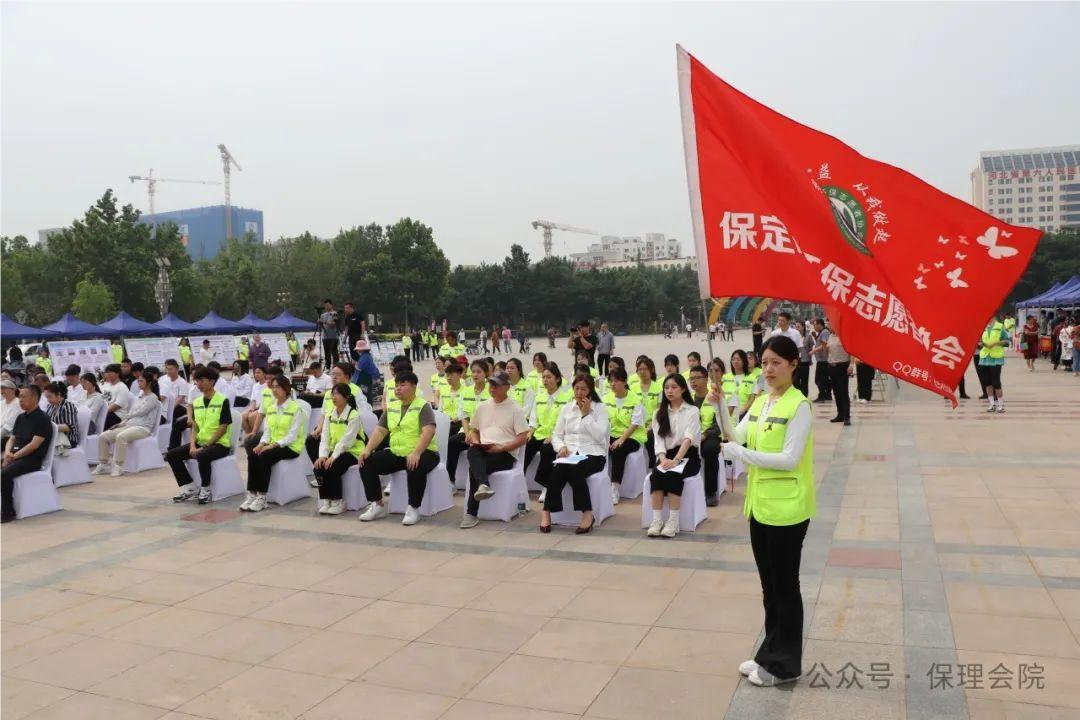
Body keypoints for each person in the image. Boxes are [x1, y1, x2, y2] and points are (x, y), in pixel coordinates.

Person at [710, 335, 815, 687]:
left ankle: (786, 666)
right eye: (765, 362)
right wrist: (720, 405)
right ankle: (769, 653)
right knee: (769, 586)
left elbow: (789, 459)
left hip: (787, 509)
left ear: (793, 366)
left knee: (786, 587)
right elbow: (735, 435)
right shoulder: (762, 402)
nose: (768, 369)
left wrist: (740, 456)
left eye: (776, 363)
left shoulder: (798, 406)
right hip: (760, 506)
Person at [357, 372, 439, 525]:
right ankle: (377, 504)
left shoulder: (423, 406)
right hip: (397, 452)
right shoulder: (392, 406)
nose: (398, 389)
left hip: (425, 452)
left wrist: (416, 453)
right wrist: (367, 450)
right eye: (396, 385)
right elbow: (380, 431)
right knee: (366, 462)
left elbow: (429, 432)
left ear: (414, 387)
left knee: (416, 465)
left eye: (403, 385)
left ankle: (413, 508)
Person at [460, 370, 531, 529]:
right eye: (491, 384)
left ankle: (472, 513)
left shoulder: (515, 409)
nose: (492, 388)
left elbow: (522, 437)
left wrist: (502, 447)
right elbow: (474, 430)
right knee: (472, 451)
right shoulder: (482, 407)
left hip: (505, 453)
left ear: (507, 387)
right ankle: (483, 485)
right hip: (483, 449)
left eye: (496, 385)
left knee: (474, 469)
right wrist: (476, 442)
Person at [539, 373, 608, 533]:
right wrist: (561, 447)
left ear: (590, 390)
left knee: (573, 468)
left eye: (584, 389)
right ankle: (546, 512)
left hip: (593, 454)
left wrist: (585, 415)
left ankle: (587, 513)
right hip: (569, 454)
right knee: (558, 469)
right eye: (576, 388)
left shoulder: (600, 408)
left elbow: (599, 436)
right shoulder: (566, 408)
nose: (579, 392)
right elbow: (557, 435)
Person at [167, 367, 233, 504]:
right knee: (171, 455)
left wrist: (205, 446)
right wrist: (192, 445)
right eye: (197, 381)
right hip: (200, 442)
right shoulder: (197, 402)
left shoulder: (222, 401)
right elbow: (195, 427)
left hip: (219, 444)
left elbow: (223, 427)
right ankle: (189, 486)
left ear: (211, 381)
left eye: (202, 380)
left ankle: (205, 488)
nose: (198, 383)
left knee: (202, 455)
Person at [646, 373, 701, 538]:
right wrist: (663, 459)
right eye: (667, 387)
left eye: (674, 387)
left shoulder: (692, 410)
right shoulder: (659, 412)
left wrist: (676, 460)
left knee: (672, 474)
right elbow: (658, 441)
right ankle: (656, 520)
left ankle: (673, 521)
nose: (669, 391)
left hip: (687, 454)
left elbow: (688, 438)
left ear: (683, 389)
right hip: (666, 454)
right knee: (656, 475)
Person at [242, 376, 305, 512]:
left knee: (264, 457)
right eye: (273, 387)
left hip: (291, 447)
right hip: (272, 444)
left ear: (287, 389)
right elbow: (267, 431)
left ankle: (262, 497)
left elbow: (292, 436)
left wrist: (272, 445)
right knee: (253, 455)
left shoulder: (296, 409)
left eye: (278, 387)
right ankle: (252, 494)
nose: (274, 390)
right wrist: (262, 443)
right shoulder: (271, 408)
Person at [0, 387, 54, 523]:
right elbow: (12, 439)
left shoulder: (42, 419)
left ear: (35, 399)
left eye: (23, 397)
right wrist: (7, 454)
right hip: (14, 456)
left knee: (4, 474)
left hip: (31, 459)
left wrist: (13, 457)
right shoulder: (21, 417)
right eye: (20, 397)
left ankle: (7, 512)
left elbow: (34, 445)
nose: (20, 400)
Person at [313, 383, 366, 515]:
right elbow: (325, 437)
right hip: (336, 450)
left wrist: (333, 457)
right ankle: (327, 499)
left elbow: (347, 441)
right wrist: (323, 456)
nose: (334, 397)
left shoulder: (353, 415)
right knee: (318, 467)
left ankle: (338, 501)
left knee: (333, 467)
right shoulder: (330, 415)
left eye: (337, 394)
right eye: (333, 394)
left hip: (353, 451)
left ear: (346, 397)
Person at [94, 374, 161, 477]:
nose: (139, 384)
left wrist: (126, 417)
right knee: (103, 436)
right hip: (129, 425)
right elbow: (132, 413)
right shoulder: (140, 396)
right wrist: (120, 424)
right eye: (138, 381)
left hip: (142, 428)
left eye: (141, 381)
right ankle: (103, 463)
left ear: (149, 383)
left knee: (121, 437)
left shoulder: (153, 398)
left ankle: (118, 466)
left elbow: (141, 412)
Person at [525, 362, 570, 505]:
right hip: (540, 433)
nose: (545, 380)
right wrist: (530, 431)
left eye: (549, 377)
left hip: (556, 436)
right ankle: (519, 481)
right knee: (525, 447)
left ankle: (546, 485)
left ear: (557, 379)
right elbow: (533, 419)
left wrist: (555, 435)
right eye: (543, 377)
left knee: (547, 450)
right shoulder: (539, 397)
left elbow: (567, 421)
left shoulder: (566, 398)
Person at [602, 367, 645, 506]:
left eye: (616, 381)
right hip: (612, 434)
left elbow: (635, 423)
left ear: (625, 381)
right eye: (611, 381)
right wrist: (605, 439)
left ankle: (614, 488)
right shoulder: (606, 398)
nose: (613, 384)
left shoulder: (635, 399)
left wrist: (621, 439)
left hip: (632, 436)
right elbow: (602, 420)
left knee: (618, 450)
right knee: (599, 448)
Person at [688, 366, 723, 507]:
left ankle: (710, 492)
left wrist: (705, 435)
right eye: (691, 378)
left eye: (697, 378)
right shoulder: (688, 400)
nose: (693, 381)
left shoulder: (715, 397)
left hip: (711, 435)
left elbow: (719, 423)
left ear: (706, 379)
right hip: (691, 435)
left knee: (709, 451)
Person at [977, 315, 1010, 413]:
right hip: (984, 357)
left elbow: (1007, 341)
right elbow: (979, 340)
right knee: (987, 383)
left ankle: (1001, 404)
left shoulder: (1000, 326)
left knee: (996, 382)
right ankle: (992, 404)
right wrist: (980, 344)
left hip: (996, 358)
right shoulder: (982, 326)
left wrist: (996, 343)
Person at [635, 357, 663, 468]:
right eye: (640, 369)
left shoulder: (659, 388)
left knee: (650, 436)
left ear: (651, 370)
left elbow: (660, 410)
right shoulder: (632, 388)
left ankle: (652, 466)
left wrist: (650, 426)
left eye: (645, 369)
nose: (642, 372)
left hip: (654, 424)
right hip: (636, 424)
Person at [825, 330, 854, 425]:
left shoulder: (844, 335)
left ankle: (847, 416)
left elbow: (851, 350)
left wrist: (851, 364)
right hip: (831, 366)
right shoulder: (830, 336)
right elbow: (828, 350)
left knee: (843, 391)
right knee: (836, 391)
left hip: (842, 366)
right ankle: (840, 414)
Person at [43, 382, 80, 455]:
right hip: (55, 436)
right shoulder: (51, 406)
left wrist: (49, 427)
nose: (48, 400)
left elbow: (69, 427)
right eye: (47, 397)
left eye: (50, 397)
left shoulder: (68, 406)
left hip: (68, 439)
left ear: (58, 394)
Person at [100, 363, 133, 431]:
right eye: (107, 372)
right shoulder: (107, 386)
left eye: (110, 372)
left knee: (105, 416)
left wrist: (102, 412)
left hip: (118, 415)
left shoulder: (122, 387)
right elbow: (103, 401)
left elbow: (116, 406)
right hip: (107, 413)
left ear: (117, 373)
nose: (108, 374)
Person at [351, 339, 382, 404]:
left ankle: (367, 408)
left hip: (365, 379)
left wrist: (354, 364)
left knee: (364, 395)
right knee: (367, 394)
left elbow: (359, 368)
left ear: (360, 350)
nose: (357, 351)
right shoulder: (367, 356)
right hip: (368, 378)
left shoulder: (364, 357)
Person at [809, 318, 832, 403]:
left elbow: (824, 345)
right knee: (823, 379)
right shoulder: (821, 333)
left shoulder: (825, 332)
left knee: (819, 379)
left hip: (824, 360)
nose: (814, 326)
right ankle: (826, 395)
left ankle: (822, 395)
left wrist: (813, 351)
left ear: (819, 325)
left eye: (815, 324)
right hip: (821, 359)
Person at [319, 299, 341, 365]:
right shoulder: (322, 315)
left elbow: (334, 324)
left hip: (333, 336)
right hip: (325, 336)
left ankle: (336, 365)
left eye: (328, 305)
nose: (326, 307)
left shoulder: (335, 313)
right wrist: (320, 323)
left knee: (334, 352)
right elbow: (321, 325)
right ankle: (328, 366)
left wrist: (325, 322)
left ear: (331, 305)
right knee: (327, 352)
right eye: (325, 305)